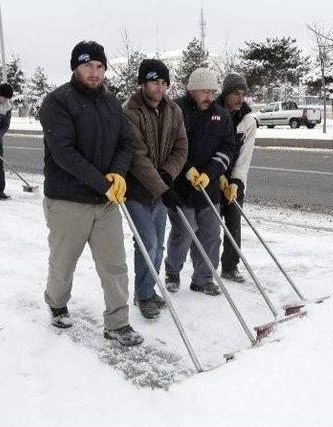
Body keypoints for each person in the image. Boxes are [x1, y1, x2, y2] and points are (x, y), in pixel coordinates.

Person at [39, 40, 143, 346]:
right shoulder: (57, 102)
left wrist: (119, 174)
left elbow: (126, 143)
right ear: (75, 67)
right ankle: (56, 303)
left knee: (114, 265)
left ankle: (118, 323)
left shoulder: (111, 102)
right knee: (63, 262)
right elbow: (64, 154)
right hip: (68, 201)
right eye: (88, 66)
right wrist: (104, 184)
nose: (95, 72)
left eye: (99, 66)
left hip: (106, 202)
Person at [122, 59, 188, 319]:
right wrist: (162, 186)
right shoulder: (130, 111)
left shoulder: (173, 110)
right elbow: (137, 157)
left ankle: (148, 289)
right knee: (147, 242)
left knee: (158, 245)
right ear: (143, 83)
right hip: (136, 190)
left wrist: (167, 174)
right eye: (154, 82)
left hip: (161, 188)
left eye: (163, 83)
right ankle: (144, 294)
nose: (159, 88)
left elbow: (181, 147)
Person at [164, 67, 235, 296]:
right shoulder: (175, 110)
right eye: (205, 91)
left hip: (209, 186)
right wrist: (186, 170)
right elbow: (167, 146)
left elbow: (227, 147)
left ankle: (203, 279)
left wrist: (211, 172)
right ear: (192, 89)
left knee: (211, 234)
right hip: (181, 186)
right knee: (184, 232)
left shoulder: (221, 115)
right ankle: (173, 272)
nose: (210, 97)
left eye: (213, 92)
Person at [215, 73, 257, 283]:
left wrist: (235, 182)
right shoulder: (213, 113)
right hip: (212, 177)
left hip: (234, 179)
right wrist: (218, 176)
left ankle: (230, 266)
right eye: (235, 93)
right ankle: (206, 269)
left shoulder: (248, 121)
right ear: (225, 93)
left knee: (233, 222)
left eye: (243, 94)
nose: (240, 98)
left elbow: (245, 156)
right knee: (210, 226)